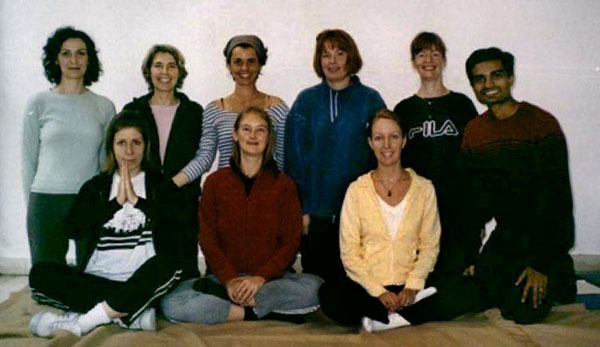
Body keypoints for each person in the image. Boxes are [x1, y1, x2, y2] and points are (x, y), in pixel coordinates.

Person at [28, 110, 184, 337]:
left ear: (145, 146)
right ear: (111, 146)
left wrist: (138, 202)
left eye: (136, 143)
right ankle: (126, 312)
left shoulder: (160, 185)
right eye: (122, 143)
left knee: (168, 265)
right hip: (99, 280)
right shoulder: (96, 187)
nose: (129, 151)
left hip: (141, 277)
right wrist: (113, 205)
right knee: (40, 273)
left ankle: (83, 323)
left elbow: (178, 233)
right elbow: (73, 229)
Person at [161, 107, 322, 324]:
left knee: (317, 288)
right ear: (235, 135)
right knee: (173, 301)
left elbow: (291, 242)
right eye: (246, 129)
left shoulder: (284, 185)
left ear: (269, 137)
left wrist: (260, 278)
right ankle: (256, 311)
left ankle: (235, 308)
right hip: (223, 280)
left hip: (271, 280)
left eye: (260, 130)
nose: (253, 136)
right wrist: (229, 281)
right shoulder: (215, 182)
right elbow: (207, 238)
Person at [458, 47, 576, 323]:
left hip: (542, 237)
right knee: (471, 295)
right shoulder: (474, 132)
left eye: (496, 75)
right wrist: (468, 256)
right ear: (473, 86)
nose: (488, 85)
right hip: (507, 237)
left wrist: (541, 265)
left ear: (510, 78)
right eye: (479, 79)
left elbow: (559, 201)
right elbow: (472, 202)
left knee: (519, 311)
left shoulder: (541, 124)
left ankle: (560, 275)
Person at [318, 109, 441, 332]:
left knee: (459, 290)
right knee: (329, 295)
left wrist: (412, 287)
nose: (387, 145)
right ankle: (401, 315)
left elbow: (430, 245)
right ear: (370, 142)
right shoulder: (356, 191)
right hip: (369, 287)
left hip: (409, 285)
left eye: (393, 137)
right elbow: (349, 253)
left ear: (403, 140)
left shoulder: (424, 188)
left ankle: (385, 319)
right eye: (379, 138)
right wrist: (379, 292)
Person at [285, 29, 386, 281]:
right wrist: (302, 210)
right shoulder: (306, 101)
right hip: (317, 214)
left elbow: (384, 155)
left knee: (359, 282)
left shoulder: (370, 99)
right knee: (316, 287)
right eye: (325, 55)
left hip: (359, 211)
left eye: (339, 53)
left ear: (351, 57)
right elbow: (294, 159)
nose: (332, 61)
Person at [22, 26, 115, 265]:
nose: (74, 60)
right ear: (55, 58)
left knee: (92, 277)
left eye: (81, 53)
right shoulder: (39, 102)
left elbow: (106, 162)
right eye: (66, 53)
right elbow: (28, 159)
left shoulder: (104, 106)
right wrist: (31, 207)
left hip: (88, 200)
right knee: (46, 282)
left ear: (89, 59)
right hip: (45, 201)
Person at [393, 32, 478, 281]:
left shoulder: (462, 105)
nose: (428, 59)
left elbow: (473, 158)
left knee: (454, 272)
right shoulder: (404, 109)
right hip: (419, 202)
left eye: (435, 53)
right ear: (413, 62)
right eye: (421, 54)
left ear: (443, 59)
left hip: (456, 202)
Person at [122, 44, 203, 279]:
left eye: (171, 66)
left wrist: (175, 184)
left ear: (180, 72)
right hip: (144, 196)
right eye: (158, 65)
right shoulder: (134, 110)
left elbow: (202, 155)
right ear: (148, 71)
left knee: (184, 271)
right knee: (145, 262)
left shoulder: (193, 112)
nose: (164, 72)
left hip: (183, 198)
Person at [174, 35, 288, 185]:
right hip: (227, 192)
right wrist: (172, 185)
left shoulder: (276, 108)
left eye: (251, 62)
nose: (245, 68)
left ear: (260, 65)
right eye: (238, 62)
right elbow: (204, 158)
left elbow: (284, 158)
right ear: (229, 66)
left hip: (266, 193)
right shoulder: (215, 110)